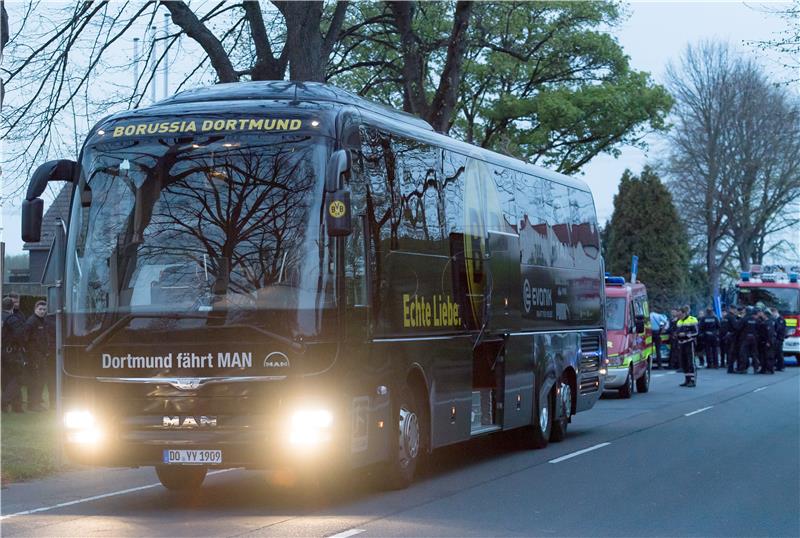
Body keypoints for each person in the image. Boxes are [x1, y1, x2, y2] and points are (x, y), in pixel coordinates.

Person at [24, 301, 55, 411]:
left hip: (42, 355)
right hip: (34, 356)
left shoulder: (43, 321)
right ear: (35, 309)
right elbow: (25, 340)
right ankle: (33, 405)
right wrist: (30, 354)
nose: (42, 311)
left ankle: (36, 403)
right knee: (36, 380)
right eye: (40, 309)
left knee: (41, 380)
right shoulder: (31, 322)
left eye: (44, 309)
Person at [2, 297, 27, 412]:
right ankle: (4, 401)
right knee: (19, 377)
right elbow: (20, 333)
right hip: (11, 352)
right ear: (13, 306)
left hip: (3, 351)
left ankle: (15, 407)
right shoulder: (12, 318)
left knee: (7, 379)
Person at [676, 306, 699, 387]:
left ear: (684, 313)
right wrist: (677, 335)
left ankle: (692, 380)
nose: (679, 316)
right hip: (681, 343)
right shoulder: (679, 322)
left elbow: (696, 332)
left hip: (689, 343)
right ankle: (687, 379)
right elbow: (677, 332)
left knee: (690, 361)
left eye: (680, 314)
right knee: (684, 362)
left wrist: (686, 334)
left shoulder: (692, 319)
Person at [739, 306, 760, 373]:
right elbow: (759, 329)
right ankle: (755, 368)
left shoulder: (744, 319)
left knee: (744, 353)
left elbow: (739, 328)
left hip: (745, 338)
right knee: (754, 353)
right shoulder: (756, 320)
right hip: (754, 338)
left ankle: (743, 368)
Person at [756, 308, 775, 374]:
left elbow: (770, 333)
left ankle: (769, 369)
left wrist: (768, 342)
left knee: (768, 356)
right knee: (762, 356)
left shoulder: (769, 322)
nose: (762, 315)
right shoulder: (764, 322)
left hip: (767, 342)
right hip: (762, 341)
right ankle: (763, 368)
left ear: (766, 315)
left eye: (763, 314)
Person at [771, 308, 787, 372]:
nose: (772, 314)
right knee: (775, 352)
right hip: (776, 338)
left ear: (775, 312)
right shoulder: (775, 319)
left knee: (779, 353)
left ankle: (781, 366)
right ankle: (777, 365)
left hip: (779, 338)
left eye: (773, 313)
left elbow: (780, 329)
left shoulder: (780, 319)